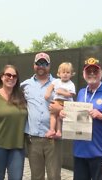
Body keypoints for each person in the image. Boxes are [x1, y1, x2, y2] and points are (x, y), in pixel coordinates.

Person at [66, 57, 102, 180]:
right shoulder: (82, 92)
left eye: (95, 71)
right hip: (80, 150)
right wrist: (66, 114)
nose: (92, 73)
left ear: (101, 73)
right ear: (84, 74)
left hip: (100, 151)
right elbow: (76, 116)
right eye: (89, 71)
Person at [21, 52, 63, 180]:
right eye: (38, 63)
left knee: (54, 176)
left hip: (53, 139)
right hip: (33, 139)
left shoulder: (59, 83)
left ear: (49, 66)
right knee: (36, 176)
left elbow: (71, 106)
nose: (41, 66)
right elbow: (8, 94)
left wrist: (60, 108)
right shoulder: (25, 85)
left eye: (44, 63)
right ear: (34, 65)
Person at [0, 65, 27, 180]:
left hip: (17, 145)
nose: (11, 78)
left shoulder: (22, 96)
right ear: (2, 77)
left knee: (16, 178)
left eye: (14, 76)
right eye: (8, 75)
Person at [44, 62, 76, 138]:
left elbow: (71, 94)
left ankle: (56, 130)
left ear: (71, 74)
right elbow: (50, 87)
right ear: (59, 74)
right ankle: (54, 130)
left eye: (68, 72)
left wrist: (61, 92)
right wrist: (47, 94)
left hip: (66, 103)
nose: (65, 74)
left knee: (58, 117)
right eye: (63, 72)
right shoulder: (56, 81)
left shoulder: (71, 84)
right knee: (54, 115)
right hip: (57, 101)